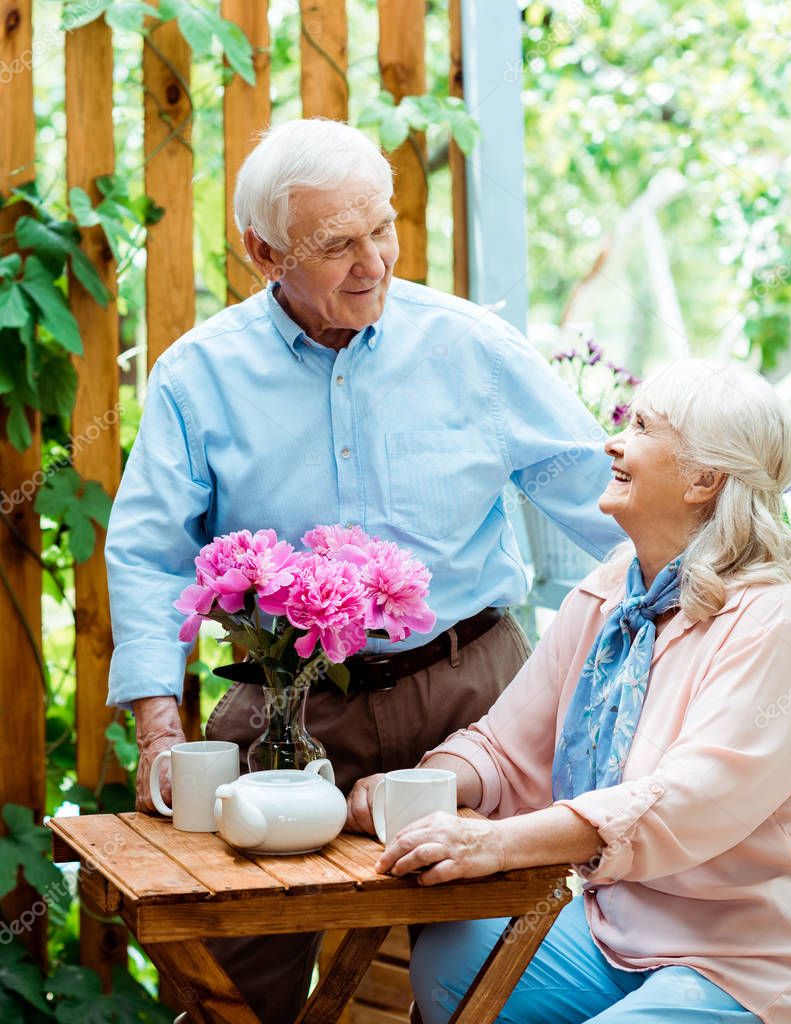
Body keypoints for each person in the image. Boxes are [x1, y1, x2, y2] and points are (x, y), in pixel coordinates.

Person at [104, 118, 623, 1023]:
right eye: (336, 244)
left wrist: (698, 620)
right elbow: (150, 554)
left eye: (381, 229)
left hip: (476, 701)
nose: (373, 262)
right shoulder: (201, 376)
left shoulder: (470, 348)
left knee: (485, 972)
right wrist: (158, 731)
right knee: (234, 976)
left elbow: (607, 504)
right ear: (261, 251)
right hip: (288, 706)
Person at [347, 358, 791, 1024]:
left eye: (641, 427)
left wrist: (488, 845)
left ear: (704, 479)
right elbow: (504, 746)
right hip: (632, 927)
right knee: (451, 961)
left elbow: (681, 805)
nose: (613, 442)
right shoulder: (616, 588)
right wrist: (419, 785)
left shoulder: (771, 620)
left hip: (769, 953)